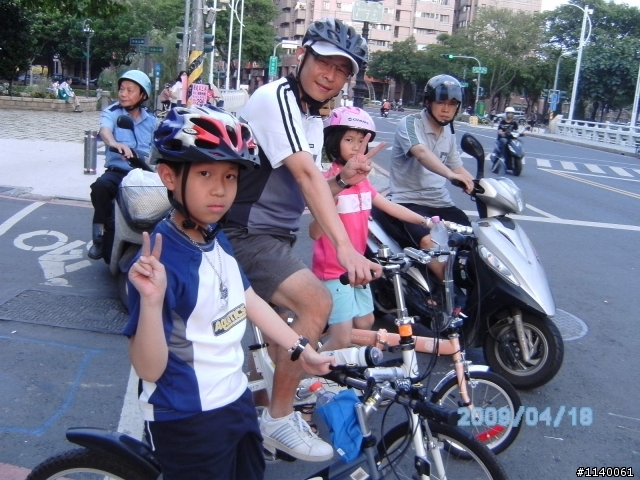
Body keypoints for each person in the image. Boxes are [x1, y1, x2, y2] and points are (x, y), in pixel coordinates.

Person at [123, 106, 334, 480]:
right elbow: (148, 369)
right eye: (205, 174)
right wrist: (152, 303)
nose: (220, 189)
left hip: (236, 402)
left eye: (230, 176)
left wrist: (302, 349)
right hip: (189, 419)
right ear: (169, 176)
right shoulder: (159, 260)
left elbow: (247, 298)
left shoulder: (215, 236)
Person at [222, 18, 382, 462]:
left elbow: (310, 191)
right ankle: (279, 417)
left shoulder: (312, 118)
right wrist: (346, 250)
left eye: (342, 70)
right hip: (244, 233)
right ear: (302, 56)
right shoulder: (275, 98)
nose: (330, 75)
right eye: (324, 62)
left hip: (274, 237)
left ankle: (260, 413)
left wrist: (344, 180)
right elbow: (307, 176)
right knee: (317, 303)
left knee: (282, 338)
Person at [310, 106, 429, 351]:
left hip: (359, 267)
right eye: (349, 140)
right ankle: (309, 368)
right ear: (334, 141)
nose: (356, 147)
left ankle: (337, 353)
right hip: (333, 271)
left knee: (365, 322)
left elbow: (389, 206)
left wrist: (427, 222)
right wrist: (337, 191)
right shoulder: (328, 182)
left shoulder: (363, 183)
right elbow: (313, 232)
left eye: (361, 141)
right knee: (342, 338)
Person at [373, 74, 474, 281]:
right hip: (409, 202)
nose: (446, 109)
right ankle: (448, 293)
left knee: (474, 240)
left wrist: (482, 187)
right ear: (428, 102)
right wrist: (450, 175)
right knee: (430, 243)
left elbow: (457, 166)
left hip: (441, 203)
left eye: (452, 104)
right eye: (440, 102)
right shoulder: (411, 123)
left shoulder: (448, 132)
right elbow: (421, 152)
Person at [88, 70, 154, 261]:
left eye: (130, 90)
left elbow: (160, 145)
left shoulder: (152, 121)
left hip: (143, 175)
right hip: (119, 173)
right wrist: (115, 144)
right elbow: (105, 131)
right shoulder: (112, 113)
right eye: (121, 89)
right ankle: (98, 233)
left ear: (143, 95)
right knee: (100, 187)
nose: (123, 94)